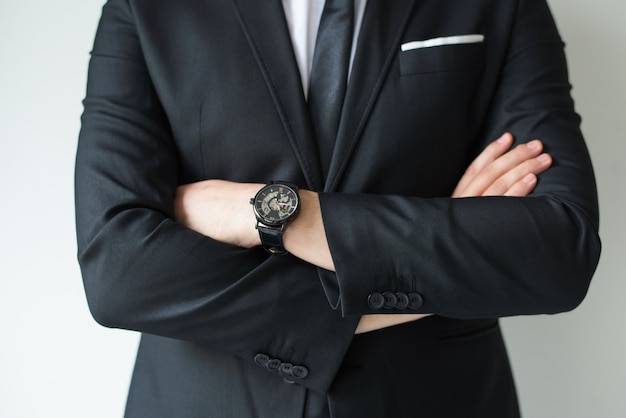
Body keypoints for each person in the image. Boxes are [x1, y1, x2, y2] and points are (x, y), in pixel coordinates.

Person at [75, 0, 601, 417]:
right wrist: (447, 259)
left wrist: (266, 212)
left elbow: (558, 249)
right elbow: (118, 272)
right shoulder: (144, 7)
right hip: (204, 400)